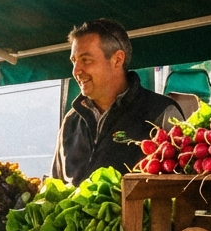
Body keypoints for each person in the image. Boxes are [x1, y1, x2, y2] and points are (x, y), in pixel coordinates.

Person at [53, 18, 183, 184]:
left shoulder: (162, 113)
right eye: (74, 61)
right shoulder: (70, 121)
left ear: (117, 59)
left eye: (86, 60)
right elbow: (55, 185)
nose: (76, 70)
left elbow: (182, 189)